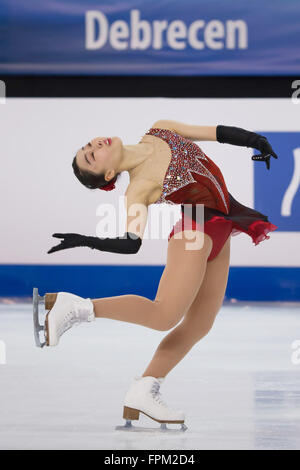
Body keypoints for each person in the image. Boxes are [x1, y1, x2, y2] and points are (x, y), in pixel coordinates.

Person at [45, 120, 278, 427]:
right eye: (90, 156)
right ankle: (75, 308)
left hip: (222, 225)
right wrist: (88, 241)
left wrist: (254, 139)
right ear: (109, 175)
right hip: (195, 227)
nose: (94, 145)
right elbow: (131, 244)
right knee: (164, 315)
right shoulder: (138, 188)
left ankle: (144, 389)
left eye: (89, 145)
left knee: (199, 325)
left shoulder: (160, 129)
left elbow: (213, 133)